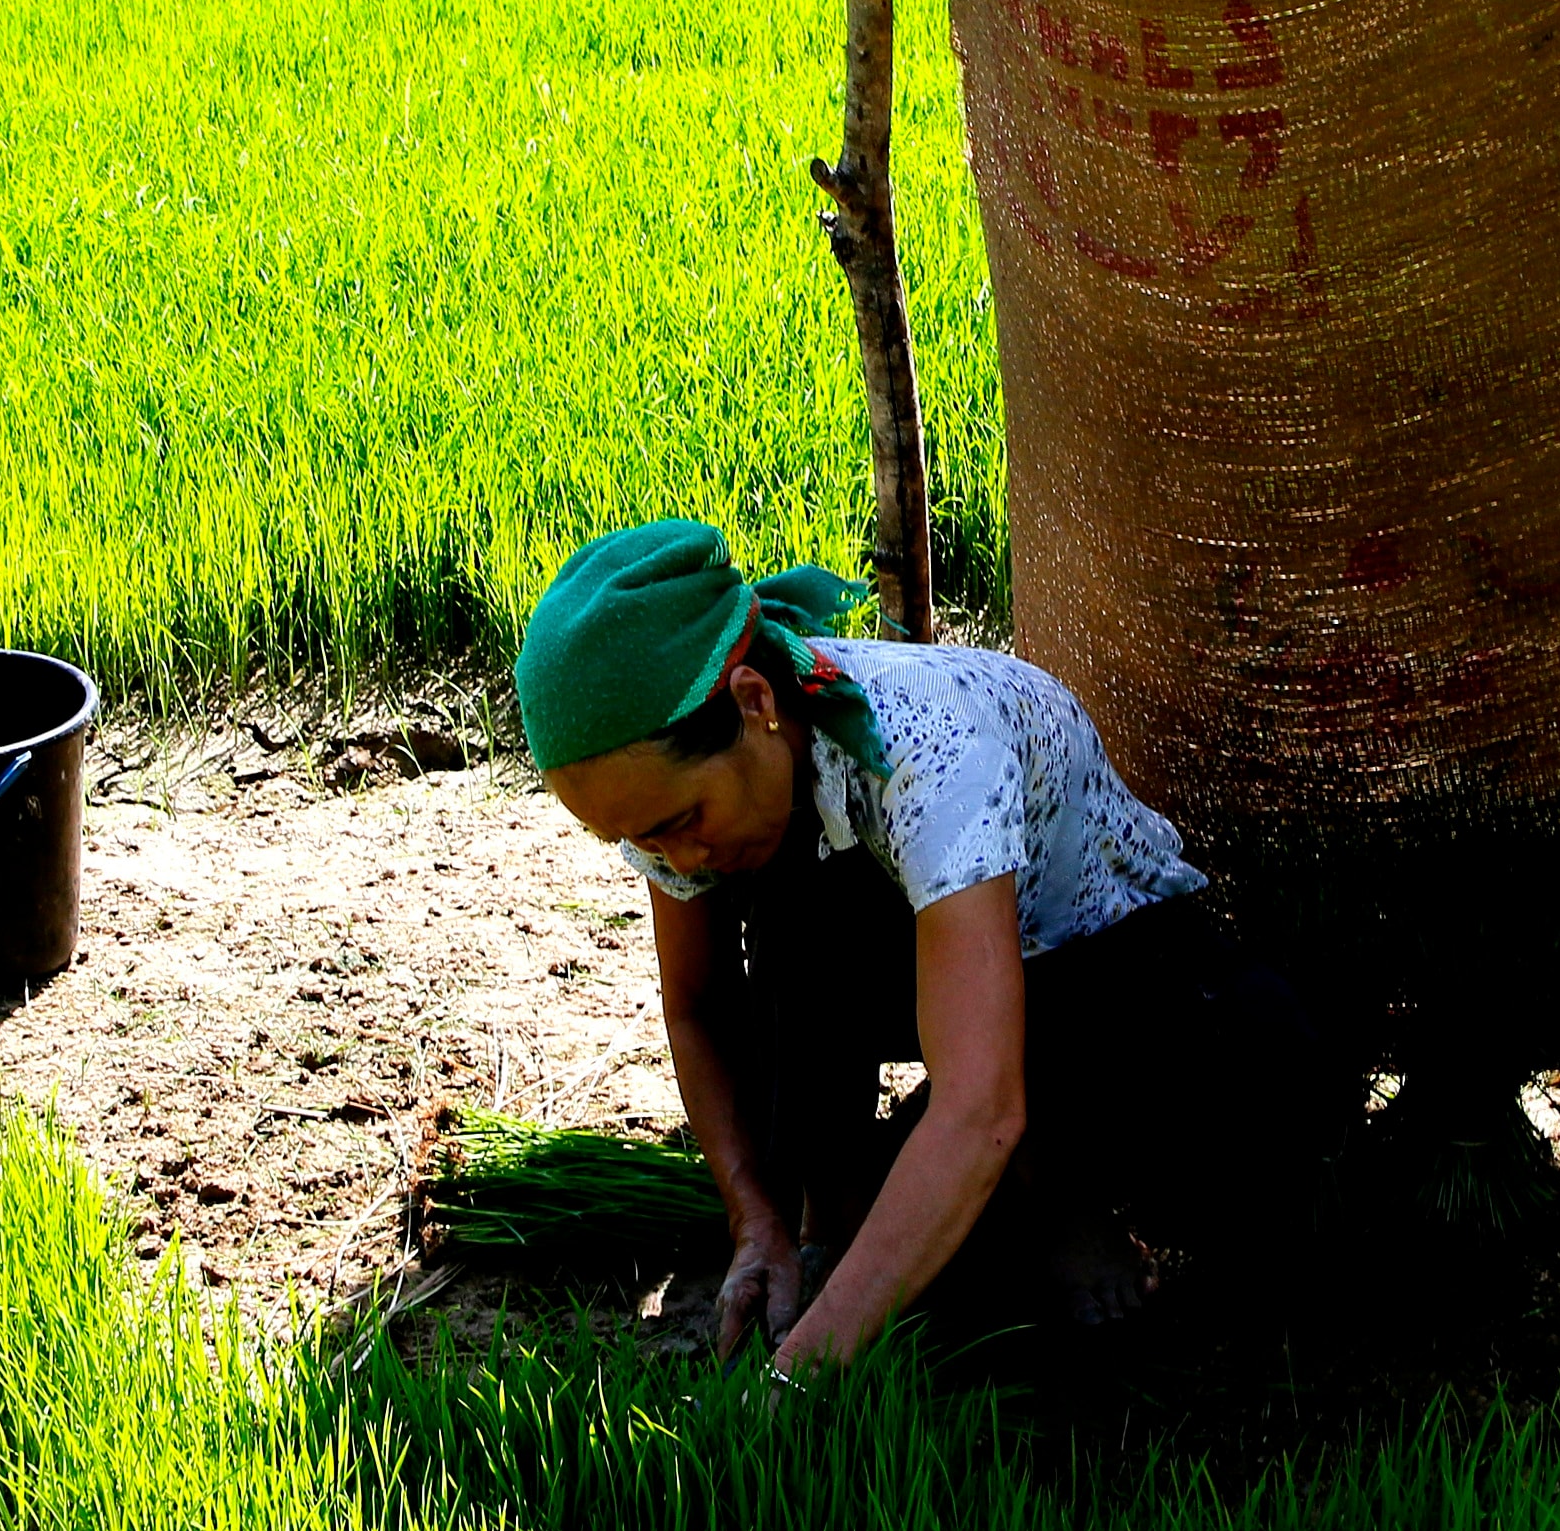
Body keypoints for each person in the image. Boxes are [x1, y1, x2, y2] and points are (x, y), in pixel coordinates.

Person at [516, 519, 1329, 1371]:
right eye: (642, 843)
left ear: (755, 702)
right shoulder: (692, 798)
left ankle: (1056, 1188)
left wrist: (804, 1373)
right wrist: (752, 1216)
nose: (678, 861)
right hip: (930, 967)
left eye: (681, 823)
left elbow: (980, 1110)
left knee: (1250, 1074)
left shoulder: (930, 751)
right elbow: (701, 1003)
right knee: (909, 1265)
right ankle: (826, 1213)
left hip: (1107, 981)